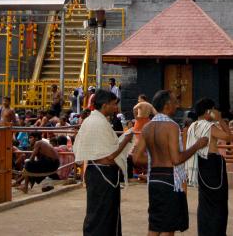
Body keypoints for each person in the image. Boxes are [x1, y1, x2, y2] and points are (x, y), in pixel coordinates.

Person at [132, 90, 207, 236]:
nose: (177, 105)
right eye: (175, 102)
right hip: (170, 180)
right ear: (167, 105)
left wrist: (155, 160)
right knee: (168, 227)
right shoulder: (171, 126)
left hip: (153, 178)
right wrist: (197, 145)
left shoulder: (147, 127)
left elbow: (135, 158)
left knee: (154, 225)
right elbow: (176, 159)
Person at [73, 89, 134, 236]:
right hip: (103, 175)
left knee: (99, 214)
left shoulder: (92, 121)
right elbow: (108, 157)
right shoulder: (98, 123)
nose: (116, 108)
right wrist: (126, 139)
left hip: (98, 174)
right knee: (103, 217)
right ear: (105, 105)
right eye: (113, 104)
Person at [185, 98, 232, 236]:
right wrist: (221, 120)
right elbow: (230, 138)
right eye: (214, 109)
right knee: (219, 203)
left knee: (205, 202)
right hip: (213, 164)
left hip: (200, 164)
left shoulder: (193, 126)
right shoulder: (208, 126)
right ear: (208, 112)